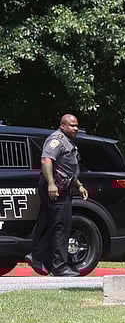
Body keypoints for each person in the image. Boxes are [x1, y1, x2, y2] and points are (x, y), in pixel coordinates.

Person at [25, 114, 88, 276]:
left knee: (53, 224)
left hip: (64, 187)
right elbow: (46, 160)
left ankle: (37, 256)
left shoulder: (68, 141)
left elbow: (67, 169)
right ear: (62, 126)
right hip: (56, 189)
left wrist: (79, 185)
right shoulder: (57, 140)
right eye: (72, 125)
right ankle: (59, 266)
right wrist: (51, 184)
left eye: (76, 125)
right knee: (61, 226)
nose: (75, 128)